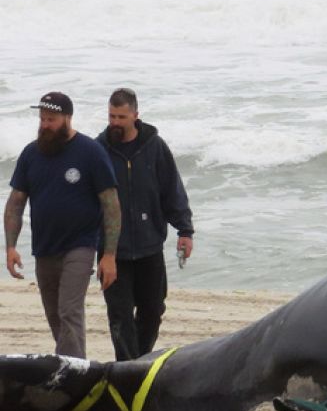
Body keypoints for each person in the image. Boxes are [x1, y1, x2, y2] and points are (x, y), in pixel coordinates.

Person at [5, 91, 121, 358]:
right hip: (44, 247)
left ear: (68, 118)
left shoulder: (91, 151)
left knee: (69, 309)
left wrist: (110, 255)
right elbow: (15, 203)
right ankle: (71, 363)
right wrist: (10, 247)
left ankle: (72, 374)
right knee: (55, 314)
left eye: (51, 119)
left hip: (79, 245)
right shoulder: (31, 154)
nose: (45, 125)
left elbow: (111, 205)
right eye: (42, 119)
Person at [96, 87, 195, 361]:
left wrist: (184, 230)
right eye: (111, 116)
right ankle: (128, 368)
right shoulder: (98, 150)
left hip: (150, 247)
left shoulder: (154, 147)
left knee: (153, 310)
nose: (115, 122)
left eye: (121, 117)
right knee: (120, 315)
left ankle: (138, 362)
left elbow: (172, 190)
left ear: (135, 116)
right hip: (112, 252)